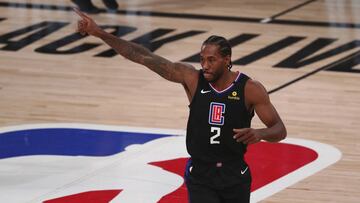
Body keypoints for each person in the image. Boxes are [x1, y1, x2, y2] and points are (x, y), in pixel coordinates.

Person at [74, 8, 287, 203]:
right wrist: (100, 33)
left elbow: (279, 129)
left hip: (235, 174)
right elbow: (143, 56)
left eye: (211, 60)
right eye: (202, 59)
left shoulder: (250, 88)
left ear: (227, 59)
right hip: (200, 175)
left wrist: (260, 133)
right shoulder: (192, 79)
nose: (205, 65)